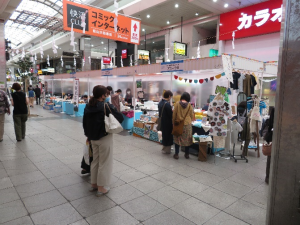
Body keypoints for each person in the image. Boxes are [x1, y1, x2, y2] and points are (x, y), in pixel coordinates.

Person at [83, 85, 123, 196]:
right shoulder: (106, 106)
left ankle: (94, 184)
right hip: (104, 137)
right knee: (104, 162)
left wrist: (88, 135)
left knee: (95, 160)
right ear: (102, 95)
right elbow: (120, 118)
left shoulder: (88, 106)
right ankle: (101, 188)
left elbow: (84, 123)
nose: (107, 95)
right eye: (106, 94)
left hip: (92, 138)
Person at [172, 92, 194, 160]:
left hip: (178, 124)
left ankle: (176, 154)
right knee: (187, 140)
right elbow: (191, 115)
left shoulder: (177, 104)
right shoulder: (190, 105)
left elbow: (174, 115)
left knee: (177, 139)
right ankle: (187, 154)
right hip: (187, 125)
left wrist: (173, 123)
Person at [264, 108, 275, 184]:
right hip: (273, 139)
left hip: (270, 139)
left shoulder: (271, 117)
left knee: (269, 159)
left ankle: (267, 177)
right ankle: (268, 177)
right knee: (270, 159)